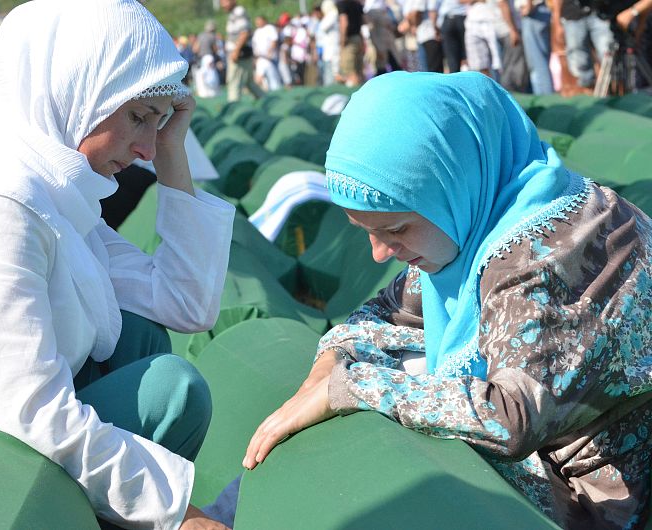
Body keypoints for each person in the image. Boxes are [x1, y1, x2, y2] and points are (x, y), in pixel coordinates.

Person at [0, 1, 235, 529]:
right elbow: (35, 418)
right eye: (138, 118)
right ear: (74, 93)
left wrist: (173, 147)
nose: (146, 147)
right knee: (168, 386)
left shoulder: (49, 183)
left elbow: (186, 302)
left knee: (143, 343)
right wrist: (183, 516)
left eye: (160, 122)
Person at [244, 71, 652, 529]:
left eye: (395, 229)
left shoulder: (538, 263)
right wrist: (332, 359)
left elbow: (510, 418)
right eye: (368, 233)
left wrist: (355, 388)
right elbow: (386, 310)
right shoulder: (492, 212)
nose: (380, 253)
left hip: (597, 502)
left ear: (452, 182)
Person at [220, 0, 265, 102]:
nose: (222, 5)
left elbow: (244, 33)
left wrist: (236, 51)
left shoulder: (238, 12)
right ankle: (266, 100)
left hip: (239, 54)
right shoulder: (234, 13)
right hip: (243, 52)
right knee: (249, 83)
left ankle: (234, 108)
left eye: (224, 1)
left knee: (234, 82)